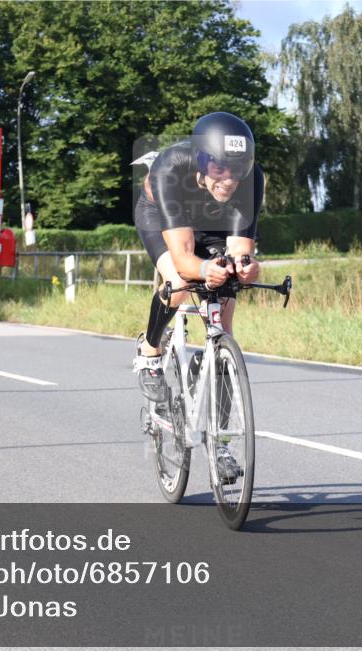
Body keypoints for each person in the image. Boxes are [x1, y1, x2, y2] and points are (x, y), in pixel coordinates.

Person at [133, 112, 264, 478]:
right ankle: (150, 353)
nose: (230, 179)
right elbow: (184, 256)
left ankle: (220, 443)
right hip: (163, 215)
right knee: (178, 283)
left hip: (213, 222)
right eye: (221, 169)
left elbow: (241, 248)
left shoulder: (249, 179)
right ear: (203, 162)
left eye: (238, 169)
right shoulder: (171, 168)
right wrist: (205, 270)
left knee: (226, 308)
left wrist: (247, 267)